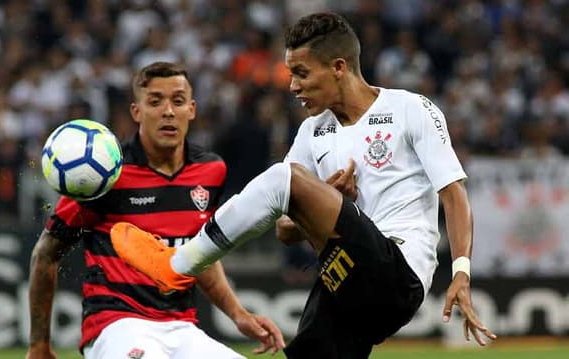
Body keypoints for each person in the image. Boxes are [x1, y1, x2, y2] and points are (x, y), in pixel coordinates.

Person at [110, 13, 497, 358]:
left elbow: (453, 192)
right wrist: (328, 206)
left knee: (286, 177)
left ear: (339, 67)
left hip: (396, 273)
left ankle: (178, 264)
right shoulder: (313, 132)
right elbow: (283, 230)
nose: (292, 86)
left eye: (301, 73)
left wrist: (461, 270)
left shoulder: (411, 109)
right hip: (343, 276)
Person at [26, 62, 284, 359]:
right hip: (116, 325)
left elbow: (201, 254)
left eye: (177, 100)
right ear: (137, 111)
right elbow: (45, 254)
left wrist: (239, 315)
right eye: (155, 101)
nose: (168, 111)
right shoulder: (105, 172)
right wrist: (38, 344)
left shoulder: (210, 170)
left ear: (192, 109)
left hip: (182, 327)